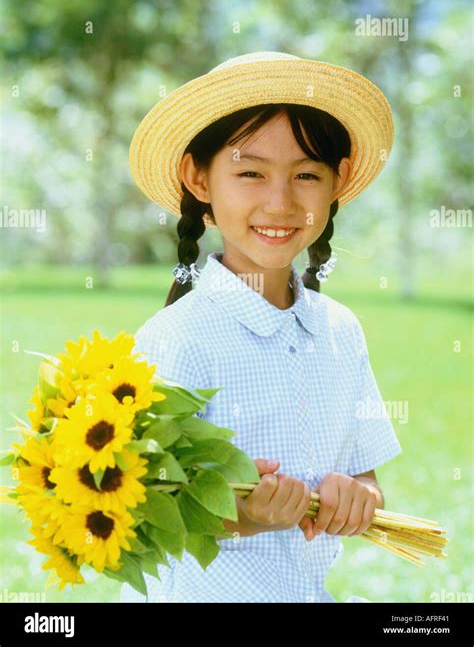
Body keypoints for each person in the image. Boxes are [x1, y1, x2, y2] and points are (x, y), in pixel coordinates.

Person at [120, 51, 402, 603]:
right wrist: (243, 515)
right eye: (250, 173)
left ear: (337, 180)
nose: (280, 202)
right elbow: (140, 515)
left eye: (306, 174)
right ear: (197, 177)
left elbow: (366, 477)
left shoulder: (341, 331)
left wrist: (359, 495)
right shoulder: (175, 338)